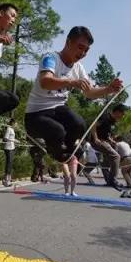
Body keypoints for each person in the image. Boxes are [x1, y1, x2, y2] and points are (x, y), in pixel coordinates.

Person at [24, 26, 123, 196]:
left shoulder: (79, 68)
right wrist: (70, 82)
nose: (83, 53)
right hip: (36, 114)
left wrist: (108, 89)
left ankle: (70, 152)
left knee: (79, 124)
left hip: (57, 110)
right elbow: (45, 82)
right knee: (58, 130)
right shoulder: (51, 58)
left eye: (86, 50)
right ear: (68, 42)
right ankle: (59, 153)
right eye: (80, 47)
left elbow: (90, 92)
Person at [91, 104, 129, 188]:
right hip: (98, 141)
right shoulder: (105, 117)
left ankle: (108, 180)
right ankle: (113, 180)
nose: (123, 116)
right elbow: (93, 126)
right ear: (117, 112)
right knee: (116, 157)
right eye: (122, 114)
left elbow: (106, 134)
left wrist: (111, 140)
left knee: (106, 162)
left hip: (105, 141)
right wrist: (96, 138)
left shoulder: (112, 121)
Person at [2, 118, 16, 187]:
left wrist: (15, 140)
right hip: (8, 148)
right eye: (15, 123)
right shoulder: (9, 129)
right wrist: (14, 141)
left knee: (10, 163)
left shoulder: (12, 129)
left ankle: (9, 179)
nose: (16, 125)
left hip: (12, 147)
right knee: (9, 163)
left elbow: (12, 138)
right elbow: (5, 138)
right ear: (13, 123)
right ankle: (6, 180)